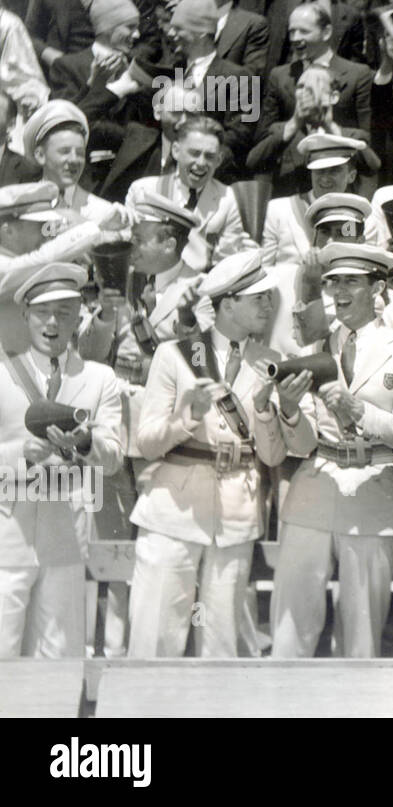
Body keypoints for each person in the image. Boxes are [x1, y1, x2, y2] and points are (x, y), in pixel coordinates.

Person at [130, 251, 315, 657]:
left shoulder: (270, 364)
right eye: (258, 298)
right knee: (155, 637)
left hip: (236, 513)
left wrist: (267, 410)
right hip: (172, 511)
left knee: (222, 642)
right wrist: (187, 417)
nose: (269, 306)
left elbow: (270, 457)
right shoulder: (176, 354)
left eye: (269, 297)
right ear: (227, 304)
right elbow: (146, 443)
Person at [271, 243, 393, 659]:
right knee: (290, 628)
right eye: (333, 281)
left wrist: (358, 410)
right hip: (315, 487)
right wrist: (287, 409)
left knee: (362, 636)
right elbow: (301, 443)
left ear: (377, 287)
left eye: (351, 281)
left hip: (374, 491)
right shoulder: (310, 350)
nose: (339, 291)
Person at [0, 264, 124, 658]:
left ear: (79, 318)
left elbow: (114, 459)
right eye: (42, 313)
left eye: (65, 313)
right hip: (8, 531)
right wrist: (21, 455)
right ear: (26, 316)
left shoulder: (100, 378)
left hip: (67, 532)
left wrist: (86, 442)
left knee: (59, 655)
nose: (52, 323)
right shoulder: (2, 374)